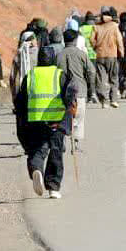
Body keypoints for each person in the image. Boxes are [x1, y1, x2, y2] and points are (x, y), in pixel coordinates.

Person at [15, 47, 76, 199]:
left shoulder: (30, 76)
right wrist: (71, 110)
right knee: (56, 151)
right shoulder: (60, 75)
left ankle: (36, 169)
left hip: (35, 121)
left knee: (38, 150)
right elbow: (69, 95)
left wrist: (23, 124)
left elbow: (20, 102)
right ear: (53, 59)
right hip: (57, 120)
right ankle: (53, 187)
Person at [57, 27, 94, 152]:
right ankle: (76, 145)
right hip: (80, 90)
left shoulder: (59, 55)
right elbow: (91, 71)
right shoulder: (81, 54)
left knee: (63, 117)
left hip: (62, 91)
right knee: (78, 118)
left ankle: (63, 143)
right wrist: (90, 87)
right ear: (75, 40)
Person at [91, 7, 124, 108]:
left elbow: (92, 40)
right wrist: (121, 53)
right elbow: (119, 40)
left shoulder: (96, 27)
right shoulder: (114, 26)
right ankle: (113, 99)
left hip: (100, 56)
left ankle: (103, 101)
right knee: (113, 78)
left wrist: (96, 47)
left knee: (101, 79)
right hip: (112, 55)